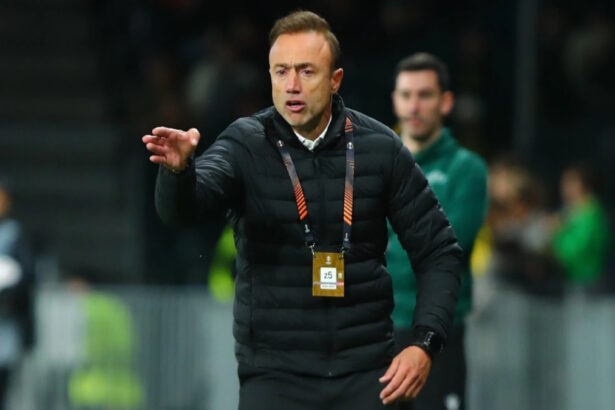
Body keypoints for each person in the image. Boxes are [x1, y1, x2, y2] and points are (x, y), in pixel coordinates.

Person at [142, 11, 462, 409]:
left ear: (335, 80)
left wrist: (425, 343)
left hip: (368, 374)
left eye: (307, 71)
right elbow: (185, 211)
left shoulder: (380, 148)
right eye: (281, 72)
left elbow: (439, 251)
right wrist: (178, 172)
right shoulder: (244, 144)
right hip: (276, 378)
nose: (291, 85)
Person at [386, 53, 488, 410]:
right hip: (377, 334)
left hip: (438, 337)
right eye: (406, 95)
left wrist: (386, 246)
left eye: (425, 95)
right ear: (395, 100)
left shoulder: (467, 169)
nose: (414, 106)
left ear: (446, 102)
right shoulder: (375, 165)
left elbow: (447, 251)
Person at [550, 162, 613, 286]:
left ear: (585, 186)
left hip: (588, 282)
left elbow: (569, 252)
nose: (564, 188)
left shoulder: (591, 216)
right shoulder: (571, 213)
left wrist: (556, 233)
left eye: (570, 183)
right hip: (575, 279)